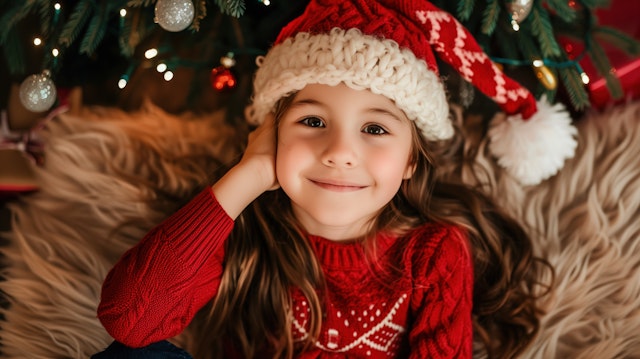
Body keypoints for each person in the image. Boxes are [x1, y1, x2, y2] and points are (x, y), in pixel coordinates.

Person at [93, 0, 567, 358]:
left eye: (376, 129)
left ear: (410, 162)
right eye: (313, 122)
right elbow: (129, 322)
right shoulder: (243, 226)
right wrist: (248, 175)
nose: (340, 153)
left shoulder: (434, 253)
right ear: (270, 135)